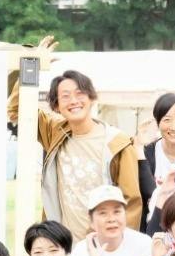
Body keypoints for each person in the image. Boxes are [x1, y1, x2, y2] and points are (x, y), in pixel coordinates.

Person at [9, 57, 141, 234]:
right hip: (62, 244)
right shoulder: (54, 132)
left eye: (80, 94)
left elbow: (131, 202)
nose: (73, 101)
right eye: (65, 96)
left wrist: (118, 245)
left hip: (103, 244)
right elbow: (17, 110)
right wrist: (32, 67)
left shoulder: (118, 143)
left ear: (91, 98)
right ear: (56, 105)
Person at [141, 92, 175, 220]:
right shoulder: (145, 154)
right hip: (151, 227)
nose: (174, 127)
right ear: (158, 122)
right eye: (167, 120)